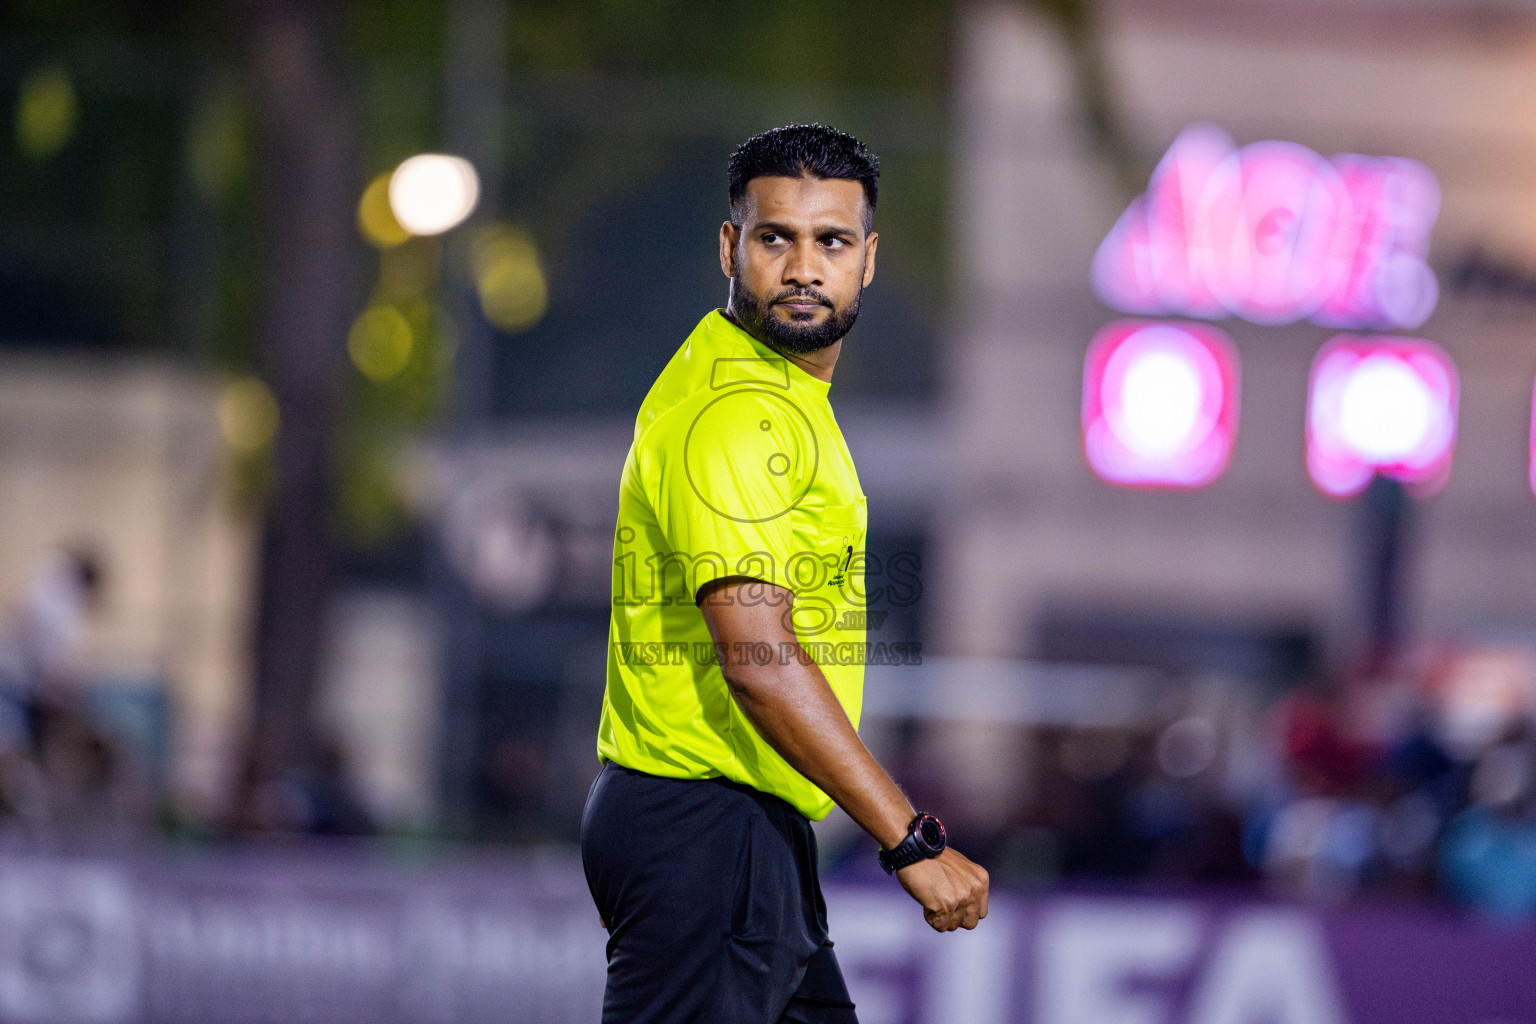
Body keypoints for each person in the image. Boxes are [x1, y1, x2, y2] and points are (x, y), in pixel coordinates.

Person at [581, 123, 988, 1024]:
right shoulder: (736, 417)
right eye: (776, 238)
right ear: (731, 246)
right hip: (700, 826)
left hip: (743, 832)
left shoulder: (782, 397)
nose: (804, 266)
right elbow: (758, 660)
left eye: (831, 241)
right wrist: (909, 839)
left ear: (868, 259)